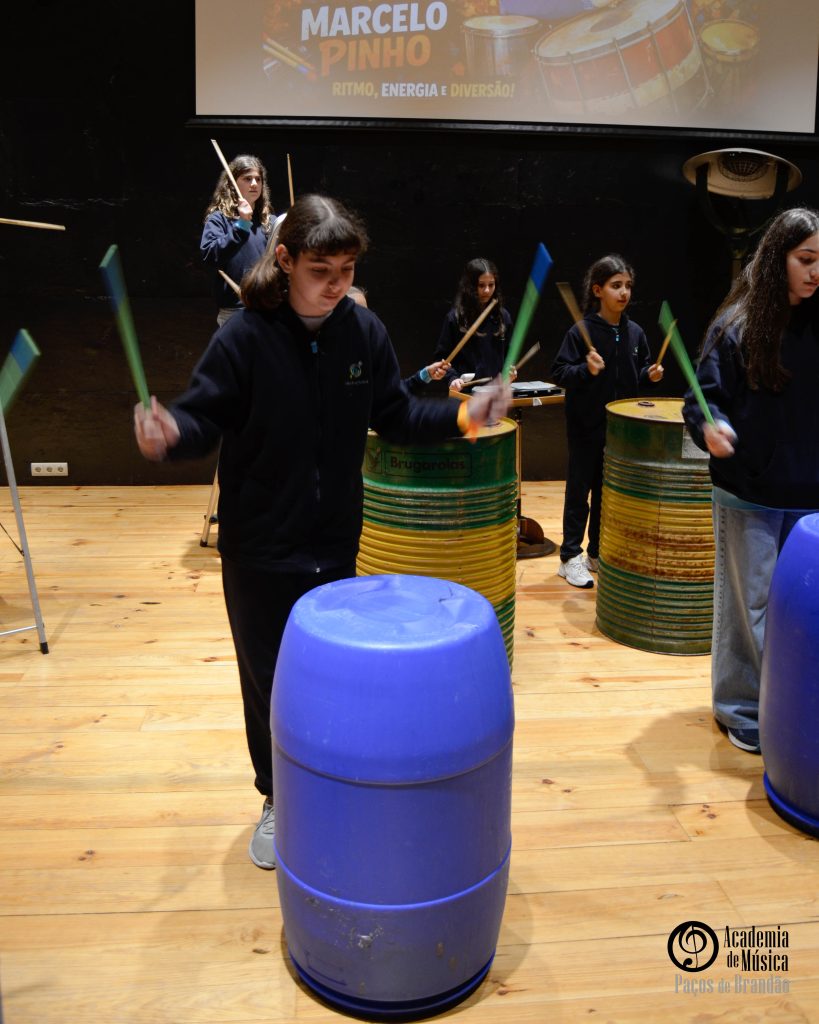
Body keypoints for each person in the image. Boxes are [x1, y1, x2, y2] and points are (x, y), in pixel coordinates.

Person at [134, 194, 510, 869]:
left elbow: (396, 415)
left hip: (334, 540)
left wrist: (464, 417)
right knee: (266, 681)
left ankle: (326, 788)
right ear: (284, 260)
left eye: (346, 270)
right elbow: (202, 418)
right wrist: (171, 434)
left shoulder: (362, 332)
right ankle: (276, 799)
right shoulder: (244, 337)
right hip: (259, 546)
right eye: (320, 271)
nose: (336, 285)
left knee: (328, 677)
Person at [682, 207, 819, 755]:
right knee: (750, 610)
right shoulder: (736, 325)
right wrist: (710, 426)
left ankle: (790, 708)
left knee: (799, 608)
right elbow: (701, 400)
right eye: (805, 259)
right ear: (777, 259)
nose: (815, 272)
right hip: (750, 492)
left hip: (809, 497)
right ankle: (741, 709)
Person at [550, 254, 663, 589]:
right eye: (616, 286)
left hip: (620, 429)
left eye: (628, 285)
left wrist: (649, 375)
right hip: (585, 425)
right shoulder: (581, 331)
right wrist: (586, 370)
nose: (624, 292)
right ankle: (569, 556)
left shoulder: (635, 333)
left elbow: (634, 375)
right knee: (579, 492)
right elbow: (559, 373)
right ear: (598, 290)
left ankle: (596, 553)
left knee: (606, 493)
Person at [200, 154, 274, 326]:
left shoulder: (269, 221)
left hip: (268, 307)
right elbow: (210, 256)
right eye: (247, 179)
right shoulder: (219, 219)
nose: (254, 184)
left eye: (258, 179)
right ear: (232, 184)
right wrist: (242, 225)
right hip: (235, 310)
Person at [433, 257, 516, 391]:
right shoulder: (455, 318)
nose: (487, 290)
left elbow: (509, 356)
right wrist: (452, 378)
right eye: (481, 285)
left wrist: (509, 371)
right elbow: (441, 359)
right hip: (465, 393)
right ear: (470, 286)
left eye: (491, 285)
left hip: (496, 392)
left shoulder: (503, 317)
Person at [349, 285, 451, 391]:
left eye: (366, 313)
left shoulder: (372, 351)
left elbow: (393, 393)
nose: (365, 318)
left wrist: (426, 374)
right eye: (356, 313)